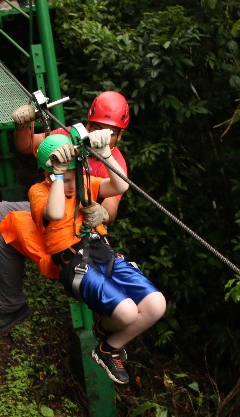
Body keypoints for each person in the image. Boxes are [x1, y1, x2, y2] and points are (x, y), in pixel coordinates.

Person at [0, 91, 131, 335]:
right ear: (87, 123)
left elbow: (112, 206)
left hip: (73, 228)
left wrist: (101, 212)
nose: (100, 135)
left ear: (120, 136)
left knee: (4, 234)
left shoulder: (115, 162)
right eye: (95, 126)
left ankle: (11, 305)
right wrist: (24, 125)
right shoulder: (70, 136)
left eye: (110, 132)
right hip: (48, 207)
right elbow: (27, 145)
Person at [27, 134, 166, 384]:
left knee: (156, 304)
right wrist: (59, 177)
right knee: (127, 312)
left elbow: (121, 186)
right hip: (75, 264)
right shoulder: (39, 192)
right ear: (49, 176)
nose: (72, 185)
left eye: (74, 178)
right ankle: (107, 345)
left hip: (102, 252)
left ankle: (109, 345)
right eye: (66, 180)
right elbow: (56, 212)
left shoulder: (84, 183)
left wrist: (106, 153)